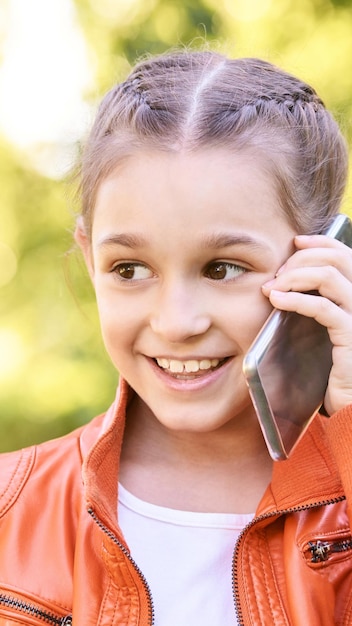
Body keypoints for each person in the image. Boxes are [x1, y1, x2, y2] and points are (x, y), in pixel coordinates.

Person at [0, 49, 352, 626]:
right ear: (90, 259)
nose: (175, 323)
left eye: (222, 268)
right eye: (130, 269)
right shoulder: (11, 509)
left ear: (325, 264)